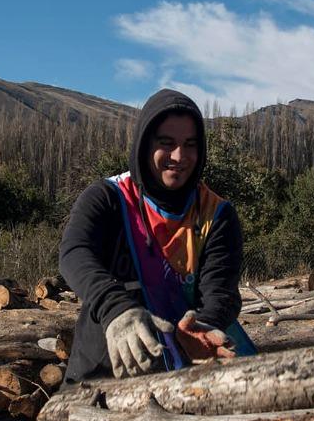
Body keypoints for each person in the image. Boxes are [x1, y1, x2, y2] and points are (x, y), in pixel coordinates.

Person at [58, 89, 256, 381]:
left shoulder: (217, 214)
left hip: (192, 375)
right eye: (166, 143)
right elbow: (74, 253)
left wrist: (204, 325)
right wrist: (116, 308)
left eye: (190, 145)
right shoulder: (107, 198)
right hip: (108, 368)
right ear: (144, 144)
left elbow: (220, 292)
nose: (179, 156)